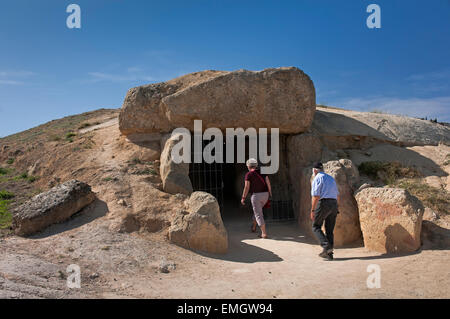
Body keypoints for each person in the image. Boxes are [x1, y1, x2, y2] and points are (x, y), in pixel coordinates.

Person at [310, 162, 339, 261]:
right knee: (329, 229)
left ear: (314, 170)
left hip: (324, 203)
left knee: (315, 226)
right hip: (334, 204)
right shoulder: (331, 178)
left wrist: (312, 210)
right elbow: (337, 194)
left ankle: (326, 246)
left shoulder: (317, 178)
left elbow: (316, 196)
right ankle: (329, 254)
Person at [241, 158, 272, 238]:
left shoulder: (248, 174)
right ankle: (254, 227)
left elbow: (246, 187)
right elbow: (268, 182)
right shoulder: (263, 172)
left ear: (248, 166)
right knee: (257, 211)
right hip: (265, 195)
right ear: (256, 165)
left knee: (258, 214)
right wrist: (270, 193)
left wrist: (243, 197)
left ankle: (264, 233)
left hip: (256, 196)